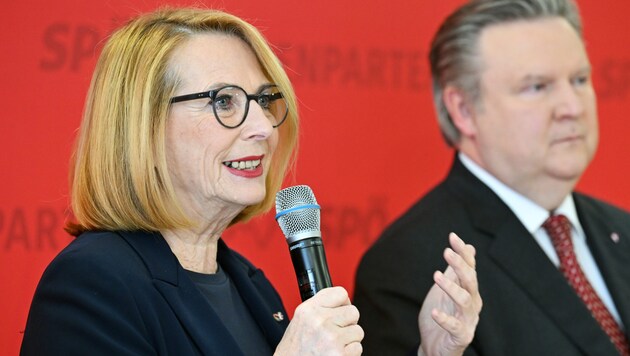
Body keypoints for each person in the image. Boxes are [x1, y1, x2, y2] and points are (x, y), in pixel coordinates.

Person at [20, 7, 480, 355]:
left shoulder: (248, 282)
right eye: (224, 101)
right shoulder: (91, 284)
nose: (262, 126)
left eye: (263, 100)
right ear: (143, 124)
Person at [354, 0, 630, 355]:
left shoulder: (622, 230)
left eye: (579, 80)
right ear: (464, 110)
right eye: (537, 86)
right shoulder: (412, 267)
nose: (572, 107)